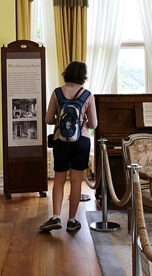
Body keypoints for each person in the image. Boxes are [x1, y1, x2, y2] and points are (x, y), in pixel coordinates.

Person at [39, 61, 98, 233]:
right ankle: (72, 220)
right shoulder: (88, 95)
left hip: (60, 140)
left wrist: (60, 119)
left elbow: (48, 119)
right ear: (83, 76)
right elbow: (93, 124)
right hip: (81, 140)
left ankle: (56, 216)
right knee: (76, 180)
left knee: (59, 179)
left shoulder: (57, 93)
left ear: (67, 73)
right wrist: (83, 122)